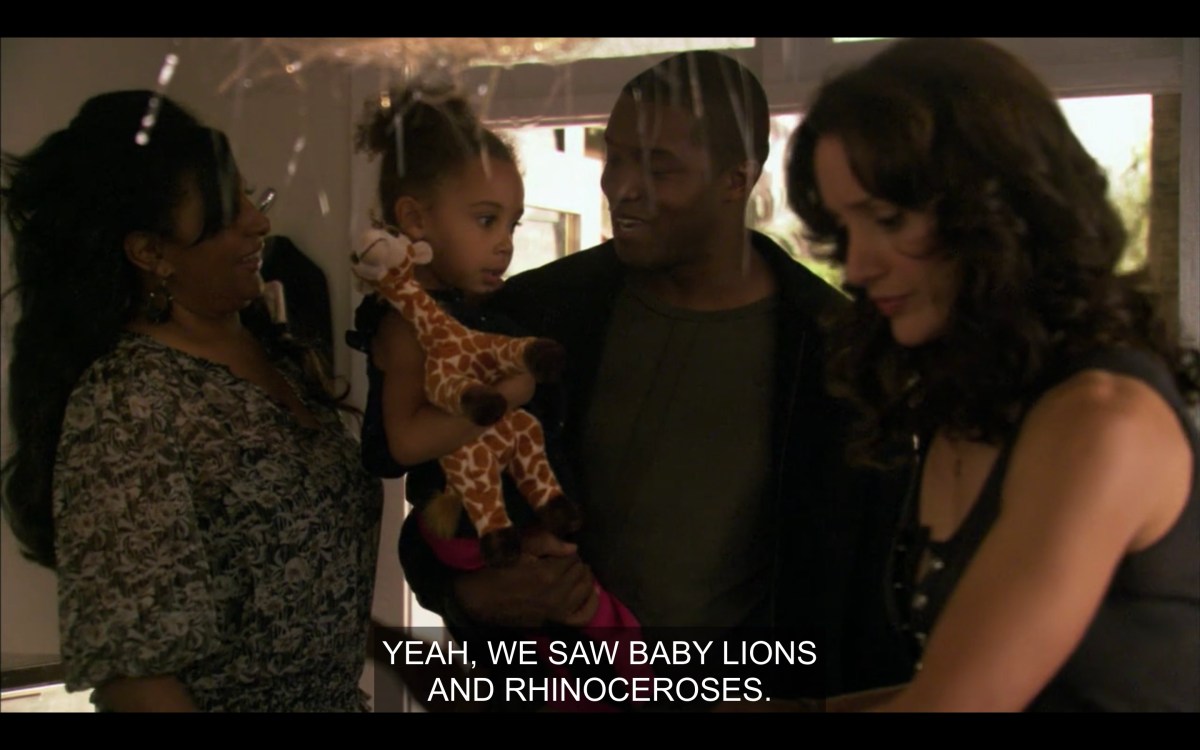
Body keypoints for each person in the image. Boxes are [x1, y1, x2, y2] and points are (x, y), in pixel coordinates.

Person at [397, 50, 910, 702]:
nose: (620, 186)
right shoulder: (528, 317)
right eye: (615, 155)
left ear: (735, 179)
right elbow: (433, 515)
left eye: (658, 167)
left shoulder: (843, 353)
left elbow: (869, 596)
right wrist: (469, 592)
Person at [786, 37, 1200, 711]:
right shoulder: (968, 407)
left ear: (998, 214)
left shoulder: (1101, 421)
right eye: (845, 227)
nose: (857, 267)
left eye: (888, 221)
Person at [1, 91, 382, 712]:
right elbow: (137, 680)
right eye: (225, 214)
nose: (259, 224)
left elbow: (299, 587)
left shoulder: (277, 357)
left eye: (251, 199)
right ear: (149, 252)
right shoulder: (128, 402)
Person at [348, 87, 646, 711]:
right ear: (416, 219)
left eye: (511, 222)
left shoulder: (480, 315)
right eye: (486, 220)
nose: (506, 242)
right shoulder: (407, 323)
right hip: (474, 531)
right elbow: (401, 442)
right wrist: (513, 391)